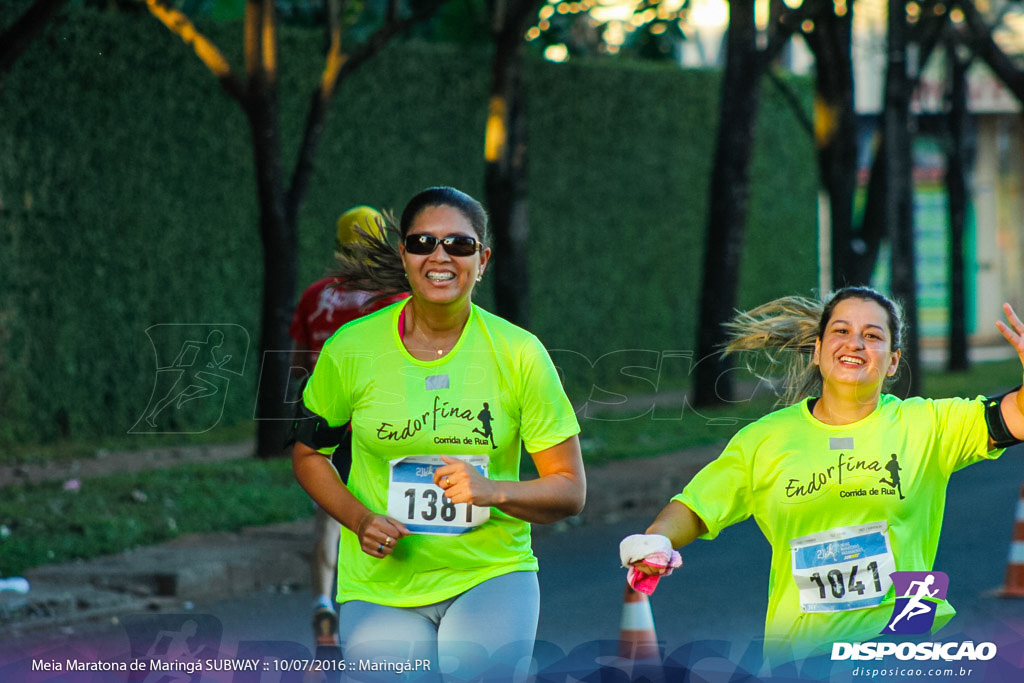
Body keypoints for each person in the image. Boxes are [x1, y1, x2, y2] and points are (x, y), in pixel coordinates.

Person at [620, 286, 1024, 663]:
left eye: (873, 335)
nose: (855, 343)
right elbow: (696, 506)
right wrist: (657, 539)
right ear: (817, 350)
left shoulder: (927, 424)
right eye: (841, 331)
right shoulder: (766, 439)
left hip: (897, 649)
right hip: (798, 657)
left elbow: (1014, 417)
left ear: (893, 362)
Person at [291, 186, 586, 680]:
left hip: (489, 577)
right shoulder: (353, 348)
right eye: (423, 242)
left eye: (460, 244)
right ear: (404, 254)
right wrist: (360, 519)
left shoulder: (520, 354)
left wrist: (495, 491)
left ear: (483, 258)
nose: (440, 255)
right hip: (380, 587)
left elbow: (570, 489)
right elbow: (309, 455)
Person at [289, 205, 408, 647]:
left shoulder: (315, 294)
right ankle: (379, 602)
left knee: (330, 513)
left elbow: (299, 363)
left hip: (326, 417)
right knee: (386, 509)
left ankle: (323, 599)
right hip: (379, 420)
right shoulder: (393, 298)